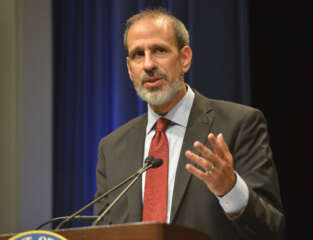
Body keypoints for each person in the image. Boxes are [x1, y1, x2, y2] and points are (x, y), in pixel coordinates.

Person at [94, 8, 285, 240]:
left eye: (159, 51)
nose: (148, 64)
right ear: (129, 69)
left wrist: (231, 190)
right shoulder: (112, 148)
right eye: (138, 54)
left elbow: (272, 230)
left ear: (185, 58)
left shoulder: (240, 124)